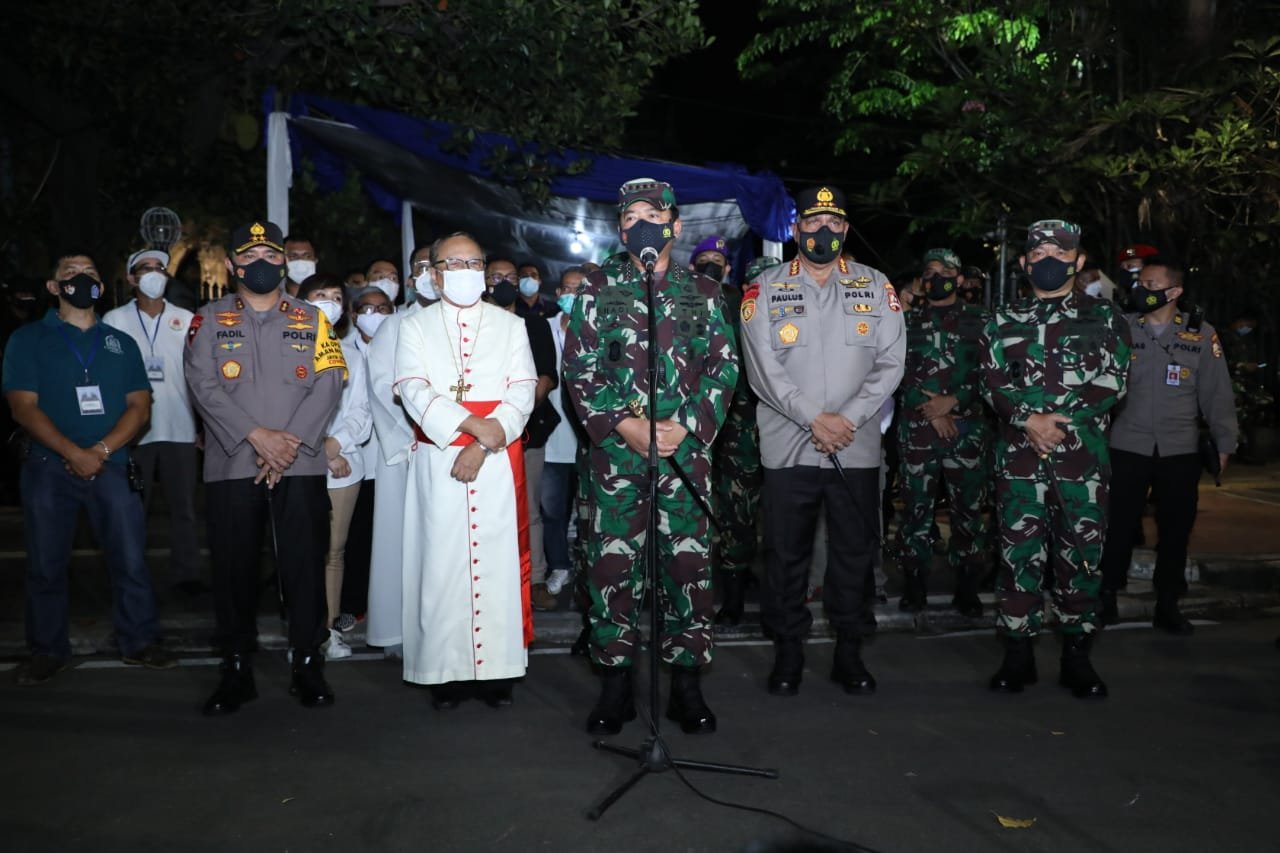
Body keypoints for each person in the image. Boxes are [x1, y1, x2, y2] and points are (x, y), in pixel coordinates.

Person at [563, 178, 739, 735]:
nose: (641, 222)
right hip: (617, 460)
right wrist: (624, 423)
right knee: (612, 569)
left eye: (652, 213)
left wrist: (684, 427)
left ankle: (686, 687)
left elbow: (724, 367)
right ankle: (615, 688)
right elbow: (580, 366)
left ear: (675, 225)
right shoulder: (596, 287)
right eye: (630, 215)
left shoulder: (703, 293)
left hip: (685, 460)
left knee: (688, 568)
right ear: (620, 227)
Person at [739, 185, 905, 698]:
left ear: (845, 230)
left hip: (854, 445)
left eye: (834, 224)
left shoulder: (876, 286)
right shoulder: (763, 290)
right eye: (813, 223)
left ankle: (849, 652)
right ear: (796, 231)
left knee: (854, 553)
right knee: (786, 554)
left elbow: (891, 361)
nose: (824, 232)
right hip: (788, 442)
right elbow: (762, 370)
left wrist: (846, 420)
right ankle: (788, 651)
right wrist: (815, 418)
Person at [184, 220, 346, 714]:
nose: (261, 265)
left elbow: (331, 380)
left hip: (300, 463)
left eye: (272, 257)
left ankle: (306, 662)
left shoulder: (312, 318)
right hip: (234, 461)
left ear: (284, 263)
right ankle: (236, 667)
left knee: (302, 564)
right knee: (234, 568)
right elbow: (202, 384)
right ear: (233, 265)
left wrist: (287, 446)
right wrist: (258, 437)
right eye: (250, 257)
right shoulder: (207, 320)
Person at [3, 251, 176, 684]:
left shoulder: (121, 342)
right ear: (53, 287)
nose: (82, 280)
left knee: (131, 560)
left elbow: (140, 406)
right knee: (46, 564)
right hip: (46, 467)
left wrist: (98, 451)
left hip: (112, 466)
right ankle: (47, 650)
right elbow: (23, 407)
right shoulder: (27, 339)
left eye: (91, 274)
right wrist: (71, 452)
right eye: (71, 274)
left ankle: (139, 642)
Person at [979, 219, 1130, 699]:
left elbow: (1114, 379)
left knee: (1082, 559)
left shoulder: (1105, 318)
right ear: (1023, 262)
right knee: (1018, 556)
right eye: (1038, 253)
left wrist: (1056, 422)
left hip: (1080, 463)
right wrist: (1029, 419)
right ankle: (1017, 654)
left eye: (1059, 253)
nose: (1048, 260)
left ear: (1078, 260)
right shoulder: (1001, 320)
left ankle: (1077, 657)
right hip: (1020, 463)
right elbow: (991, 381)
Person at [394, 231, 537, 709]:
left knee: (495, 566)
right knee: (442, 566)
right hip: (438, 460)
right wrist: (473, 425)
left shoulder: (510, 326)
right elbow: (412, 389)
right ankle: (445, 674)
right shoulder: (413, 327)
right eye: (453, 265)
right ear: (434, 274)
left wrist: (484, 440)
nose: (465, 273)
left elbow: (522, 390)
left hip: (495, 461)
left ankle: (497, 674)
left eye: (474, 264)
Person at [1098, 258, 1237, 633]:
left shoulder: (1199, 333)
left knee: (1176, 529)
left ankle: (1167, 603)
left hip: (1179, 449)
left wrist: (1225, 442)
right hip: (1127, 444)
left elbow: (1217, 393)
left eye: (1150, 282)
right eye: (1140, 282)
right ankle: (1107, 594)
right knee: (1118, 525)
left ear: (1173, 292)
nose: (1141, 287)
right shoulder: (1122, 329)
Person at [895, 249, 990, 618]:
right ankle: (914, 583)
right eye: (930, 271)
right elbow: (893, 370)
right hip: (918, 430)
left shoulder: (981, 321)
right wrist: (931, 409)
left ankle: (967, 586)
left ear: (960, 279)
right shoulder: (905, 322)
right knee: (916, 510)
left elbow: (992, 373)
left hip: (966, 430)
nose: (938, 277)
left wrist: (953, 401)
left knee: (968, 511)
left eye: (946, 271)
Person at [102, 249, 202, 595]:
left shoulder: (186, 318)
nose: (154, 273)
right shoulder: (114, 321)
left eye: (160, 268)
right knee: (133, 507)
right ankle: (131, 571)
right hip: (133, 429)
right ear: (132, 278)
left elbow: (199, 374)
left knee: (184, 507)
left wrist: (203, 425)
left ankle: (187, 572)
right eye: (145, 268)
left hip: (181, 425)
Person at [298, 274, 372, 658]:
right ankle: (303, 632)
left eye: (335, 296)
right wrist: (318, 448)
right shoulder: (286, 348)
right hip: (295, 460)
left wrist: (335, 445)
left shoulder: (354, 355)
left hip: (344, 463)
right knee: (300, 552)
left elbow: (360, 411)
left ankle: (328, 632)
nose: (328, 302)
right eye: (319, 296)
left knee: (334, 552)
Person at [692, 237, 763, 625]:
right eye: (703, 260)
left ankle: (734, 595)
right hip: (691, 418)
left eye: (717, 261)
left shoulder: (744, 302)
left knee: (739, 506)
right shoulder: (681, 299)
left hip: (739, 419)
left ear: (728, 267)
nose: (711, 266)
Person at [490, 276, 561, 609]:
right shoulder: (477, 325)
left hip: (526, 429)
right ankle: (490, 581)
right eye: (494, 277)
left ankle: (534, 580)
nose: (500, 284)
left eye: (508, 277)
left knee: (529, 508)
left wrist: (517, 413)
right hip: (483, 430)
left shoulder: (534, 325)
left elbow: (547, 376)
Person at [335, 285, 395, 634]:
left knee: (390, 538)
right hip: (356, 458)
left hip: (395, 459)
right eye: (367, 309)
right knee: (355, 538)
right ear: (353, 315)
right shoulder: (341, 352)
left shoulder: (407, 348)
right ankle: (352, 605)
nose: (375, 315)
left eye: (383, 308)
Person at [542, 266, 586, 597]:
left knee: (588, 513)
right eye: (567, 289)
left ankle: (589, 569)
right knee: (553, 509)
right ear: (558, 294)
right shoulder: (540, 330)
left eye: (579, 289)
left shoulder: (597, 330)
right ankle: (559, 566)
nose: (572, 295)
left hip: (589, 441)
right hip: (553, 440)